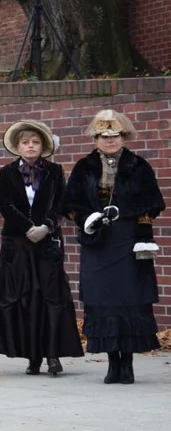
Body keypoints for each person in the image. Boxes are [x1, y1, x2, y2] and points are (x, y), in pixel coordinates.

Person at [64, 110, 165, 384]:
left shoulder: (138, 165)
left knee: (130, 301)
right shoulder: (84, 166)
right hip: (98, 243)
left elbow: (153, 202)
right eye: (104, 136)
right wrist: (88, 219)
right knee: (104, 301)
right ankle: (112, 363)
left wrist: (134, 218)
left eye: (115, 135)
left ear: (123, 137)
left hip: (130, 240)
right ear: (95, 138)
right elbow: (69, 205)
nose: (110, 140)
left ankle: (128, 364)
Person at [0, 121, 82, 375]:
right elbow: (5, 205)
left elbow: (61, 204)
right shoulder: (7, 173)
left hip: (47, 243)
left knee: (50, 297)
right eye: (25, 142)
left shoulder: (54, 171)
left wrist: (46, 227)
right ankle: (32, 355)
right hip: (17, 244)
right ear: (17, 147)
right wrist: (28, 228)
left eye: (35, 142)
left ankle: (52, 355)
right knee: (25, 298)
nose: (30, 146)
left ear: (43, 146)